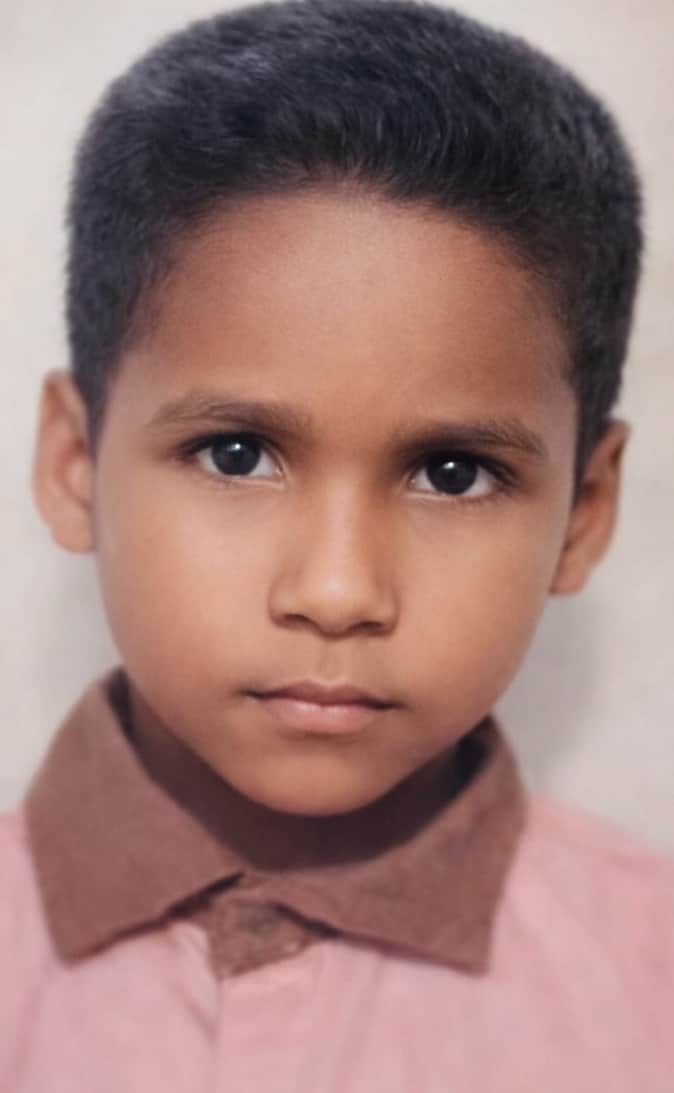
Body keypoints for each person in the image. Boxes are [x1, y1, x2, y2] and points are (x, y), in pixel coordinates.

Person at [2, 0, 672, 1088]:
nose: (336, 589)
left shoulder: (648, 981)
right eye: (234, 454)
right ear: (76, 462)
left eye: (451, 472)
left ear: (584, 512)